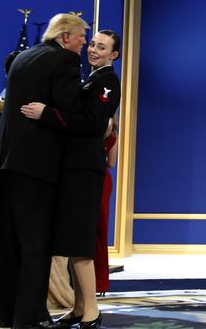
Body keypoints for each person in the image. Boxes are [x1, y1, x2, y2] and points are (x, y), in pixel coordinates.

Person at [21, 30, 122, 329]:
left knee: (80, 243)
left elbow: (92, 124)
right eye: (92, 44)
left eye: (101, 47)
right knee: (74, 241)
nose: (93, 50)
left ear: (113, 55)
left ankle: (91, 312)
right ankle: (79, 308)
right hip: (75, 168)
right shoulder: (91, 79)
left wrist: (47, 114)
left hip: (85, 169)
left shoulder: (107, 81)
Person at [0, 13, 87, 329]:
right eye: (80, 37)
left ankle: (7, 315)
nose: (84, 43)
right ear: (65, 37)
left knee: (9, 244)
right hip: (37, 166)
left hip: (6, 162)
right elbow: (70, 106)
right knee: (35, 244)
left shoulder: (23, 57)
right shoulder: (64, 61)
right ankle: (31, 318)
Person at [94, 116, 119, 295]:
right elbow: (111, 163)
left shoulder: (105, 124)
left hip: (97, 180)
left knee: (97, 230)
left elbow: (111, 162)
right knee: (99, 230)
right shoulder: (112, 128)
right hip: (101, 177)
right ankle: (99, 282)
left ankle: (99, 281)